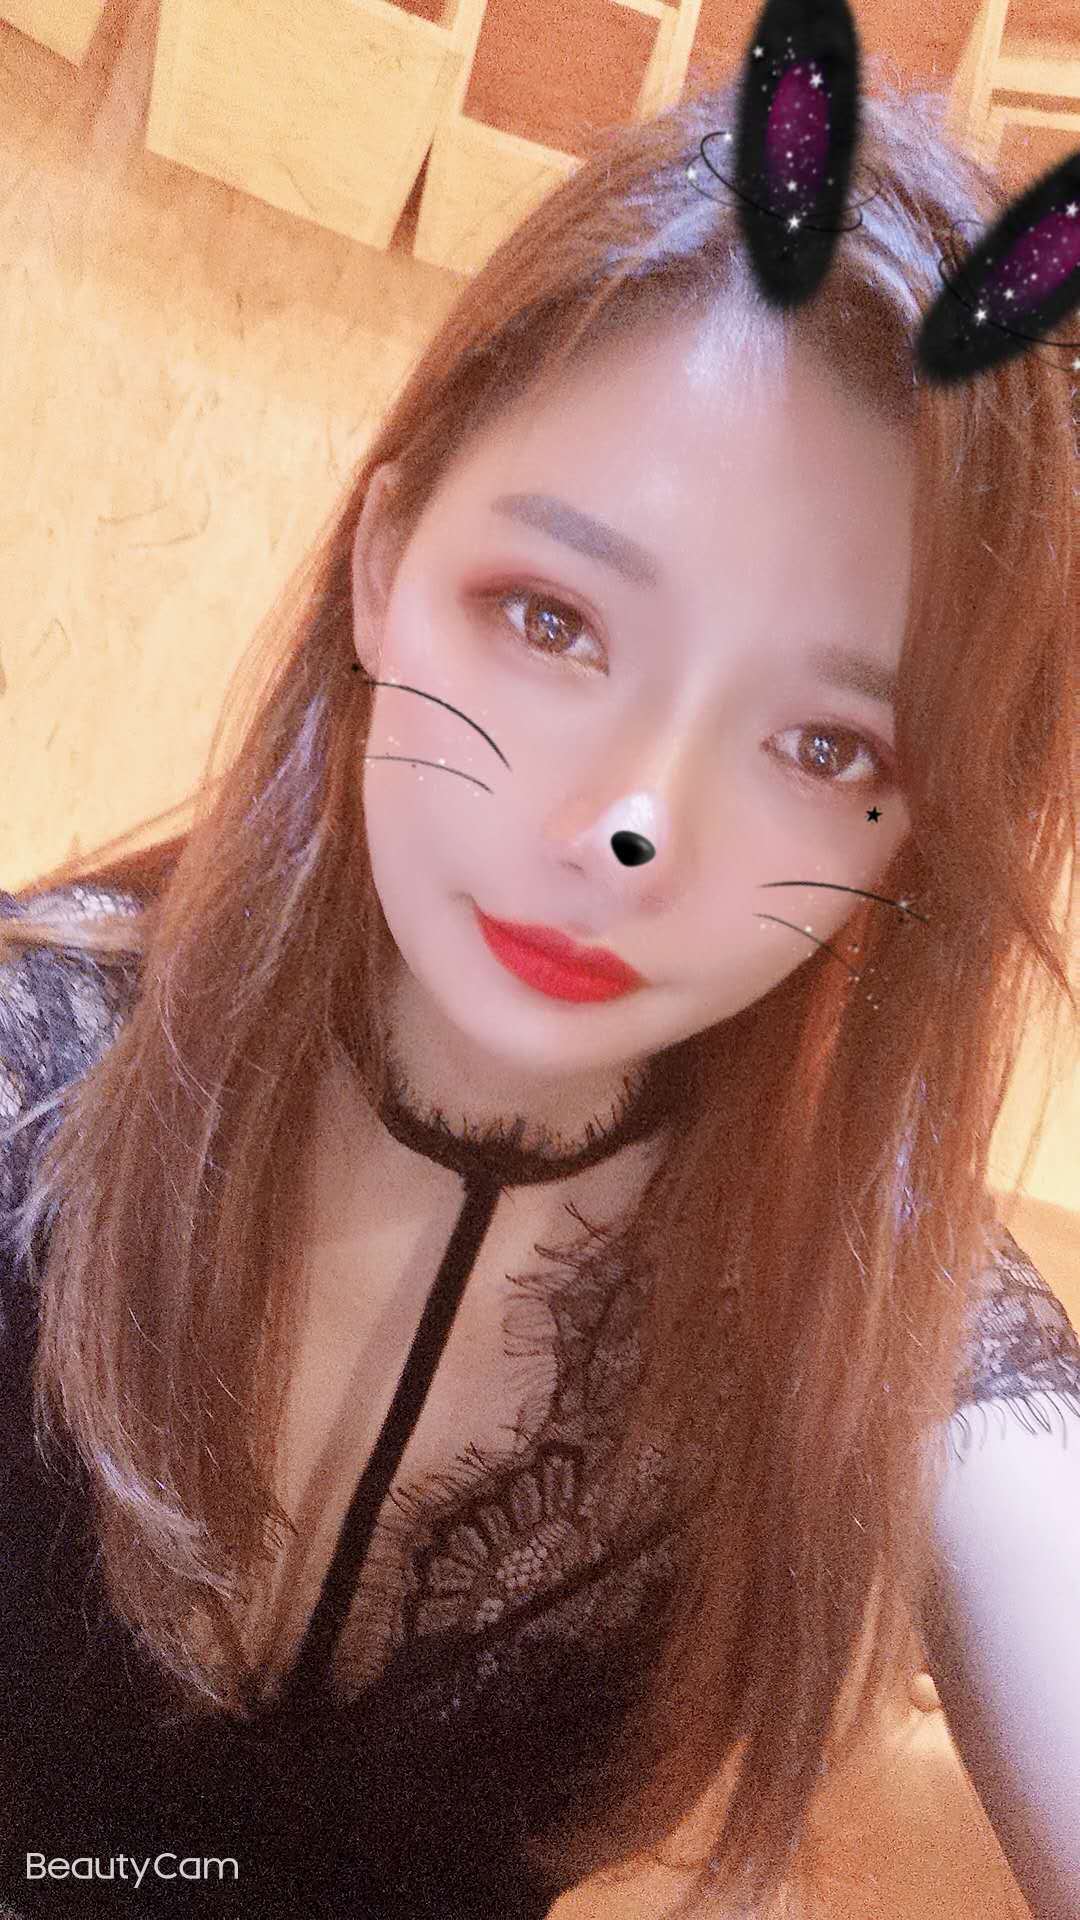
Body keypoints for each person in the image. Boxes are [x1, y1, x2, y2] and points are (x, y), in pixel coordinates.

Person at [1, 57, 1078, 1920]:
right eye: (551, 619)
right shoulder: (37, 1074)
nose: (634, 829)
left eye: (827, 744)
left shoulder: (869, 1308)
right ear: (384, 563)